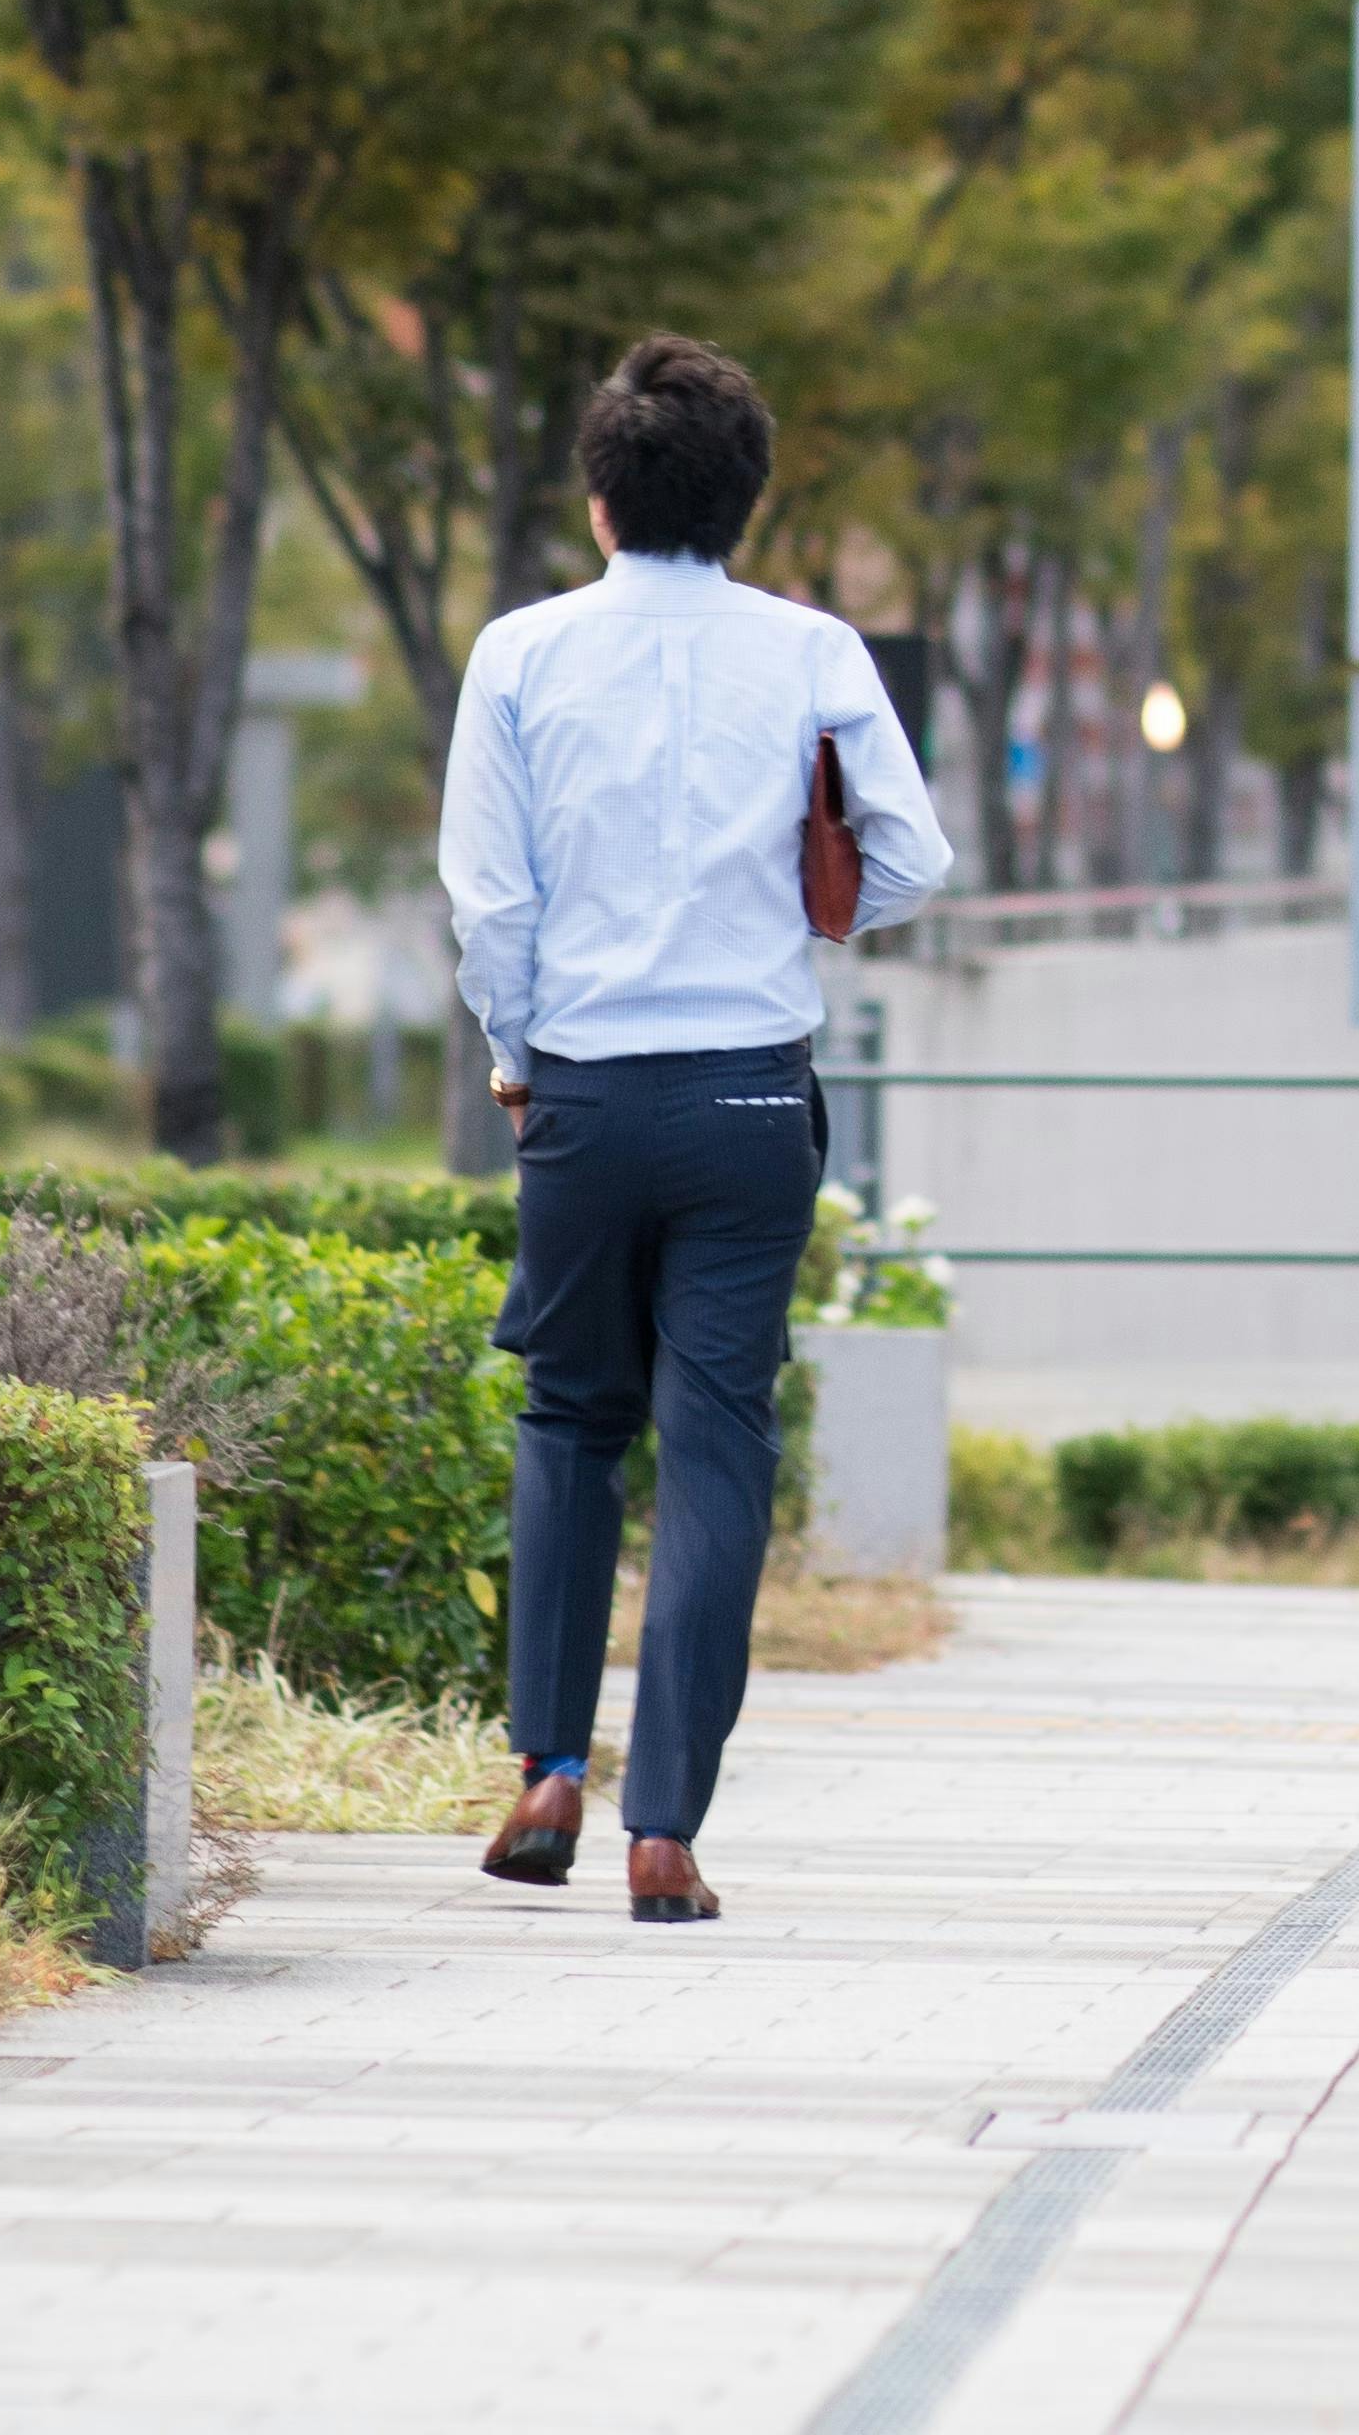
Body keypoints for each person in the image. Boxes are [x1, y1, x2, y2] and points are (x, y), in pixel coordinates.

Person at [441, 334, 950, 1926]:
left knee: (572, 1423)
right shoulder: (814, 653)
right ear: (748, 501)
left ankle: (549, 1771)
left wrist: (521, 1057)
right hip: (749, 1092)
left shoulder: (518, 656)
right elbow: (915, 859)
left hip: (585, 1092)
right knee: (718, 1445)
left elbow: (489, 900)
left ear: (598, 503)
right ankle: (668, 1828)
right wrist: (809, 905)